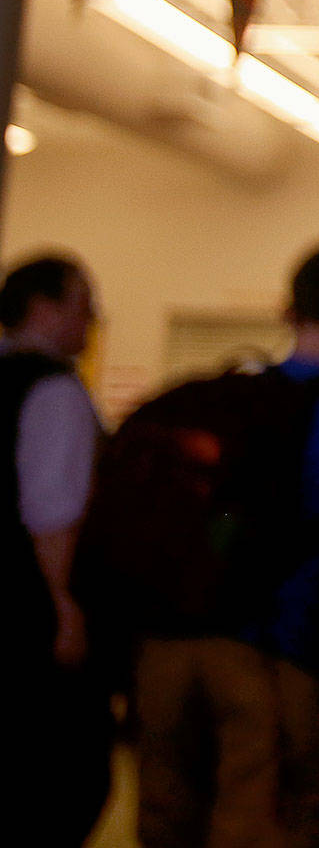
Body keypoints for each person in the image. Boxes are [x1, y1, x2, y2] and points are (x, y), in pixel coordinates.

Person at [133, 245, 319, 848]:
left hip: (169, 652)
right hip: (276, 660)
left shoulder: (221, 399)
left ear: (285, 310)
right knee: (272, 824)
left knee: (169, 827)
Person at [0, 254, 112, 847]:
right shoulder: (55, 391)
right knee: (60, 783)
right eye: (83, 302)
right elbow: (54, 511)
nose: (93, 317)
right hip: (29, 613)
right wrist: (65, 607)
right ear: (43, 307)